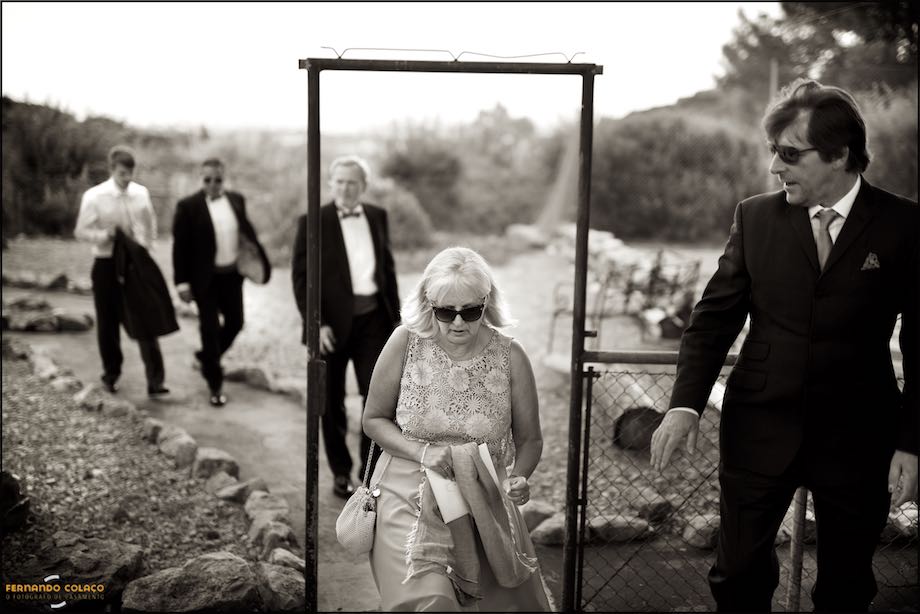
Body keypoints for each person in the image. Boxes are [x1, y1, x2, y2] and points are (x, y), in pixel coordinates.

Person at [650, 79, 918, 612]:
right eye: (774, 151)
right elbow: (712, 321)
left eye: (791, 154)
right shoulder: (754, 218)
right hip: (759, 428)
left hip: (860, 436)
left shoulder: (905, 226)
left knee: (847, 586)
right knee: (737, 577)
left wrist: (912, 442)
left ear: (839, 154)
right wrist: (684, 405)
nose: (775, 166)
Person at [362, 246, 552, 611]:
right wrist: (423, 452)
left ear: (486, 303)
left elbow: (530, 439)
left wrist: (520, 477)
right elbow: (373, 419)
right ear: (428, 304)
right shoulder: (405, 342)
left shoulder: (512, 356)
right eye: (446, 312)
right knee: (428, 599)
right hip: (407, 489)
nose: (458, 323)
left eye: (471, 311)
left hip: (485, 494)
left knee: (503, 605)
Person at [292, 155, 400, 499]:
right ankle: (340, 472)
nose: (344, 188)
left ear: (363, 186)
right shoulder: (313, 220)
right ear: (330, 183)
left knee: (378, 398)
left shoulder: (378, 216)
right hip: (331, 326)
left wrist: (397, 320)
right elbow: (301, 279)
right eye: (338, 181)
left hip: (374, 321)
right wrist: (316, 325)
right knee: (331, 399)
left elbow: (387, 270)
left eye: (352, 182)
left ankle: (370, 474)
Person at [172, 158, 271, 407]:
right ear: (201, 179)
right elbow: (180, 247)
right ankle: (215, 386)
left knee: (236, 322)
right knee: (209, 328)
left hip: (231, 276)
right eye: (207, 180)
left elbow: (247, 233)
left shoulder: (236, 200)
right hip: (204, 279)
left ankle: (207, 358)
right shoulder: (188, 206)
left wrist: (254, 260)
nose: (213, 184)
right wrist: (182, 283)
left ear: (224, 179)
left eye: (218, 180)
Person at [74, 145, 171, 397]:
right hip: (105, 264)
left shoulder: (141, 193)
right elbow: (80, 231)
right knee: (108, 323)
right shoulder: (94, 196)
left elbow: (150, 224)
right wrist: (104, 235)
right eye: (122, 174)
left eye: (130, 173)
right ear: (111, 169)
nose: (127, 179)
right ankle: (111, 376)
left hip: (134, 265)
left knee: (145, 319)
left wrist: (145, 247)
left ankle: (155, 381)